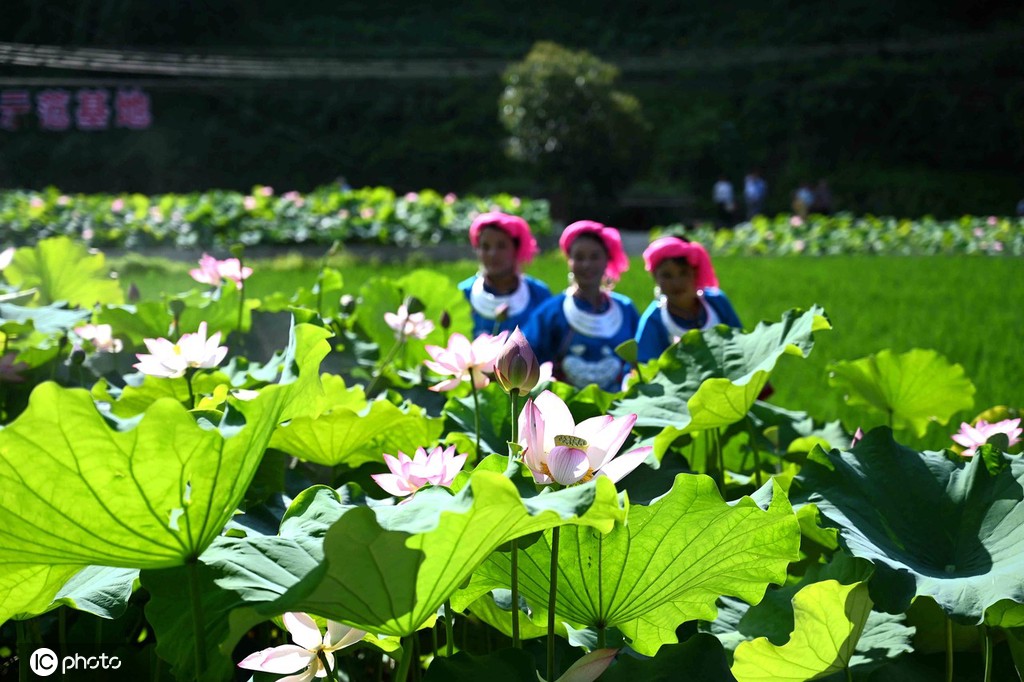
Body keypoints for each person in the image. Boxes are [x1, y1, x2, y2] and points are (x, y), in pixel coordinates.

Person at [523, 220, 640, 392]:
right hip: (563, 406)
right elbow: (527, 358)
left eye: (594, 257)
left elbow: (641, 360)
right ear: (569, 260)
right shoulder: (551, 312)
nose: (586, 265)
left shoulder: (625, 309)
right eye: (579, 257)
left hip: (619, 407)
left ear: (607, 259)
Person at [635, 236, 743, 363]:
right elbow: (644, 369)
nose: (676, 283)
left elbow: (743, 347)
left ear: (695, 272)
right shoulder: (654, 320)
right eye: (667, 275)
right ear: (655, 278)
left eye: (683, 273)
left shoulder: (717, 302)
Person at [458, 212, 552, 337]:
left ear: (516, 249)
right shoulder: (463, 294)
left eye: (501, 246)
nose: (492, 254)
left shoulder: (539, 294)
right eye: (485, 247)